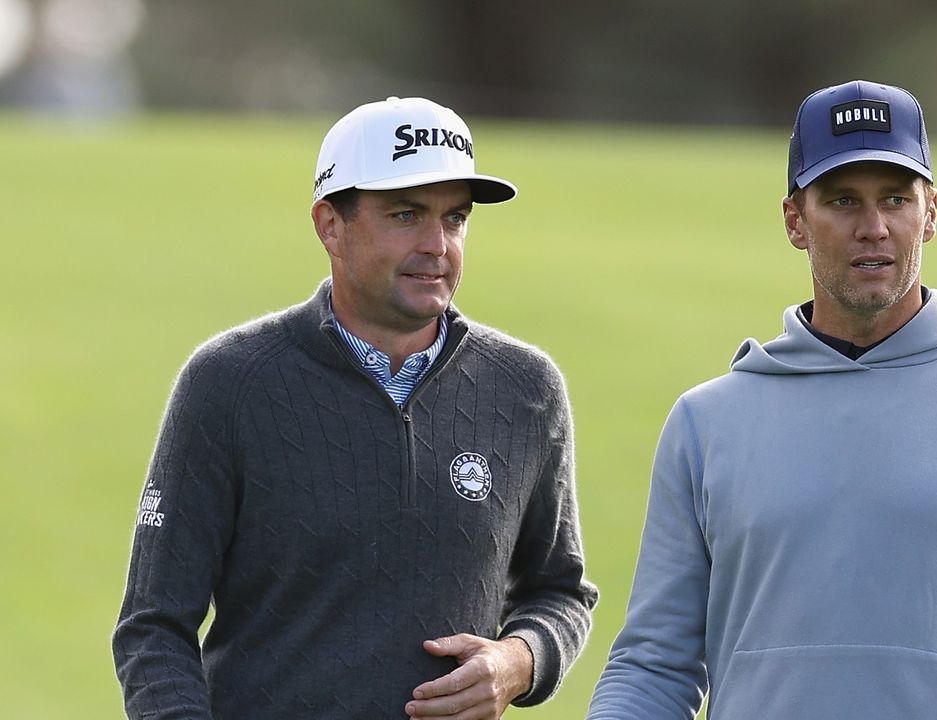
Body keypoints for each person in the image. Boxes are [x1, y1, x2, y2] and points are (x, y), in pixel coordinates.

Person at [587, 80, 937, 719]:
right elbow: (653, 670)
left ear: (930, 212)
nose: (873, 227)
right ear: (796, 219)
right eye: (842, 200)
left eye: (895, 199)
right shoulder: (707, 424)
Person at [113, 96, 598, 720]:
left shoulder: (526, 389)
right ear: (329, 225)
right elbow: (152, 627)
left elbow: (559, 590)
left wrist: (520, 661)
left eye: (455, 218)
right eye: (405, 215)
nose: (437, 245)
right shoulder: (228, 383)